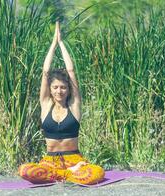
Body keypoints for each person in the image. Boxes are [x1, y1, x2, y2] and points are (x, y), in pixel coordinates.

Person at [18, 22, 105, 185]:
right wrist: (53, 44)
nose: (59, 91)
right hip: (49, 162)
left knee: (97, 173)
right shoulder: (45, 105)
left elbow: (71, 71)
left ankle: (61, 174)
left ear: (68, 89)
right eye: (55, 87)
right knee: (25, 170)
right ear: (50, 90)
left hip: (75, 160)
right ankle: (66, 174)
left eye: (63, 87)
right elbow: (45, 72)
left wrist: (62, 43)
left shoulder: (73, 105)